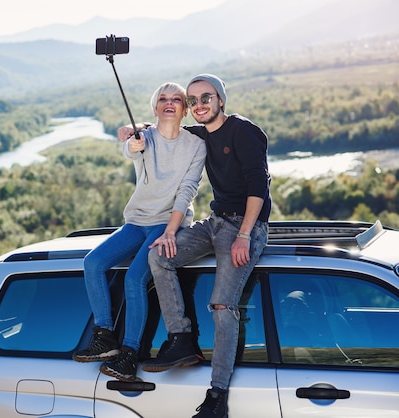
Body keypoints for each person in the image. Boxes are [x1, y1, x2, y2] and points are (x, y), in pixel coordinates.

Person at [119, 74, 271, 418]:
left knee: (221, 304)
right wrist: (130, 132)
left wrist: (245, 234)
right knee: (159, 255)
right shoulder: (200, 133)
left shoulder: (243, 131)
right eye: (193, 101)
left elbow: (258, 188)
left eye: (207, 98)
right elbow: (157, 125)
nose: (200, 105)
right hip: (215, 222)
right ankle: (182, 338)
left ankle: (217, 396)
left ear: (221, 100)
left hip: (245, 227)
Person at [73, 82, 207, 382]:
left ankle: (129, 353)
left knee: (135, 278)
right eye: (162, 98)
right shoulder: (143, 137)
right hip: (137, 221)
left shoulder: (196, 145)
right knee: (93, 263)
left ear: (185, 109)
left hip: (166, 222)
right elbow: (131, 147)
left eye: (176, 99)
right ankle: (105, 335)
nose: (169, 103)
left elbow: (187, 190)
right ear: (155, 107)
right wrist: (130, 143)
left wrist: (171, 231)